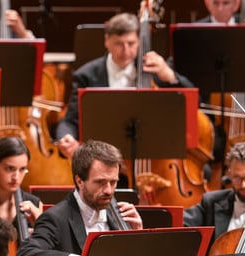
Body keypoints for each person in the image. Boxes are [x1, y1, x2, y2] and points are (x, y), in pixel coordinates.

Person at [55, 13, 193, 158]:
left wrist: (169, 76)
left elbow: (192, 102)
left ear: (139, 41)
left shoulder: (154, 69)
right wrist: (66, 137)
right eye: (119, 44)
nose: (126, 51)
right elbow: (70, 121)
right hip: (104, 158)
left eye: (131, 43)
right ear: (106, 41)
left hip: (153, 155)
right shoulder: (86, 75)